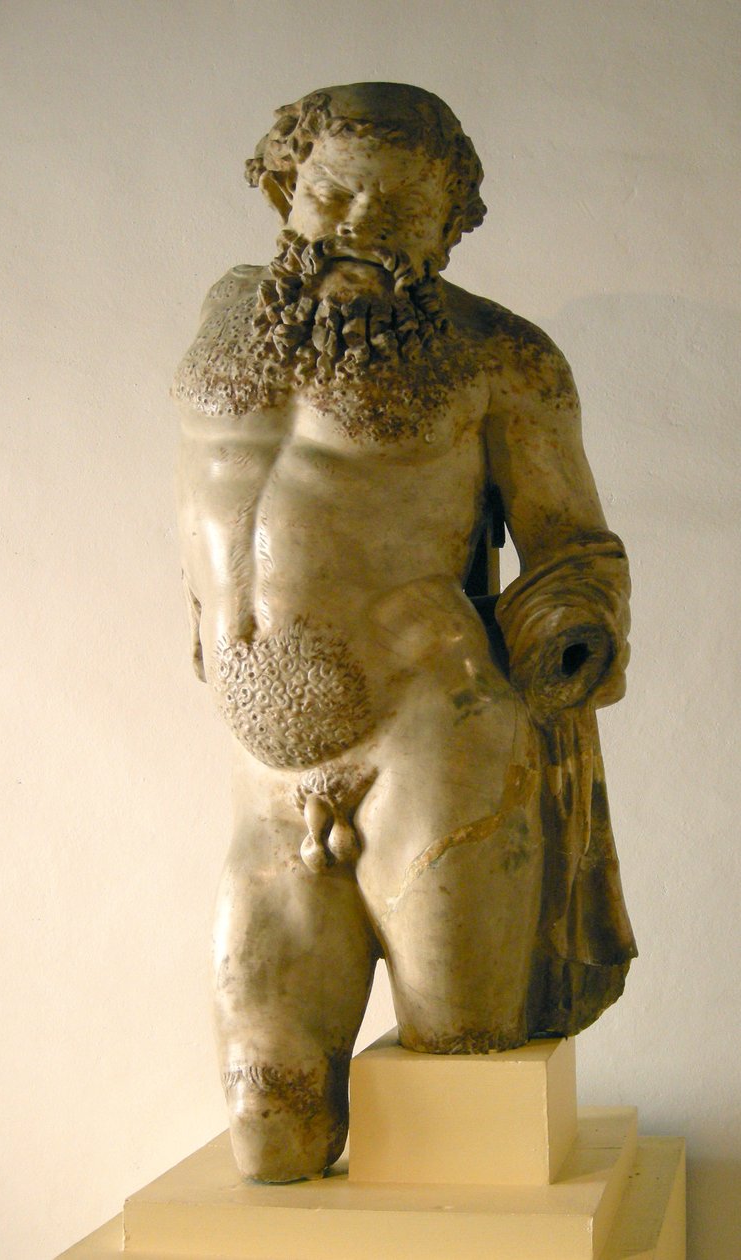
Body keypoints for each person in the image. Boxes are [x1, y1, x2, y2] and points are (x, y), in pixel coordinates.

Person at [173, 82, 636, 1183]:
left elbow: (576, 550)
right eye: (335, 195)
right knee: (270, 1137)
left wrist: (572, 630)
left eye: (399, 212)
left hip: (433, 741)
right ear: (283, 186)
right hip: (267, 776)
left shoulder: (501, 357)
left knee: (461, 1083)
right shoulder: (225, 313)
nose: (359, 230)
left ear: (451, 224)